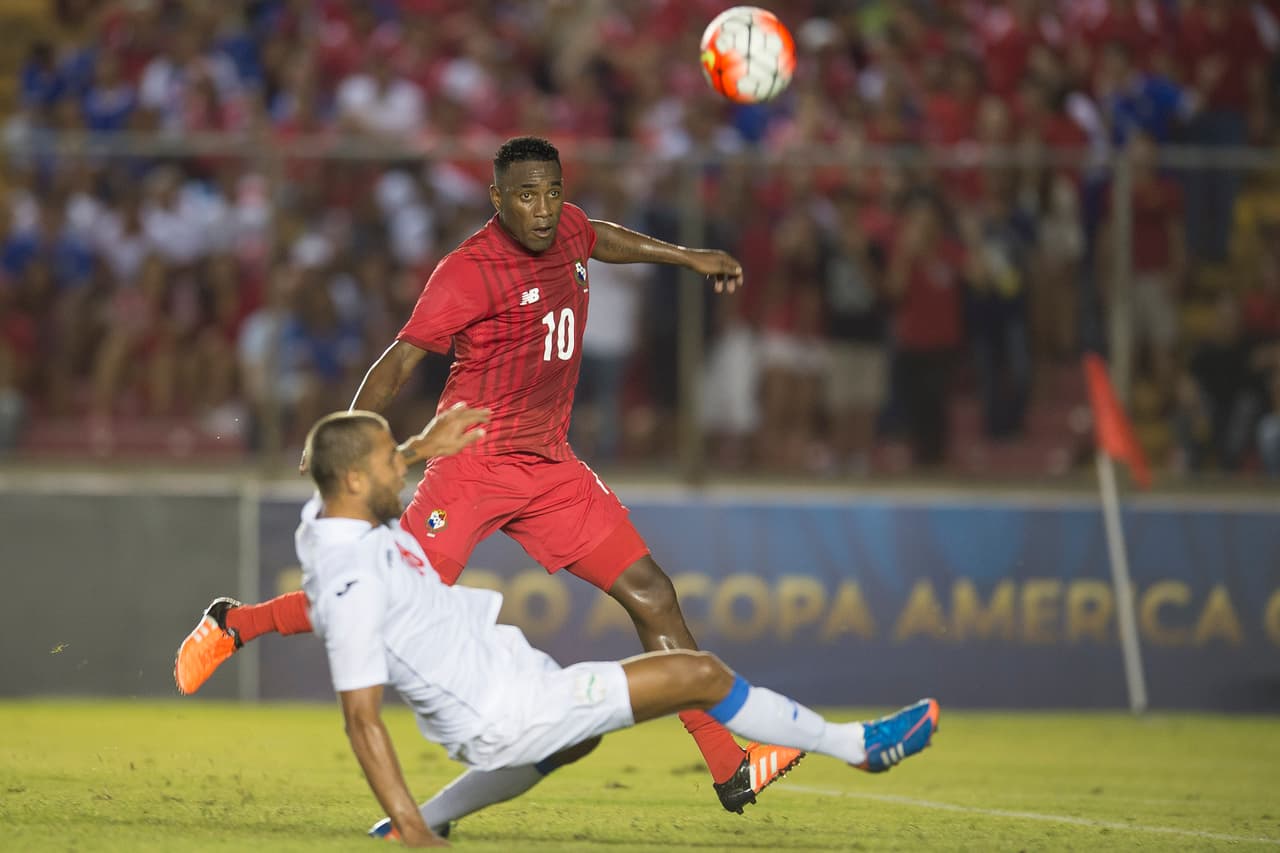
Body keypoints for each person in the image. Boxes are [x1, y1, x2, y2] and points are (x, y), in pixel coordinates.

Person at [175, 136, 801, 813]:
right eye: (526, 196)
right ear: (496, 198)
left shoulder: (567, 229)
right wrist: (346, 443)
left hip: (551, 464)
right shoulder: (467, 271)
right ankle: (238, 622)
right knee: (389, 596)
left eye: (552, 193)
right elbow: (399, 361)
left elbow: (603, 238)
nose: (543, 209)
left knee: (651, 592)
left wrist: (686, 257)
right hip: (472, 464)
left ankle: (728, 764)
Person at [293, 410, 940, 847]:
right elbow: (361, 718)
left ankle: (421, 819)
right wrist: (415, 830)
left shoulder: (326, 517)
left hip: (514, 681)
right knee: (699, 674)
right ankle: (858, 745)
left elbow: (349, 483)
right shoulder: (351, 580)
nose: (401, 468)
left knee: (576, 744)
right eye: (388, 462)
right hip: (503, 709)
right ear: (354, 480)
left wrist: (415, 447)